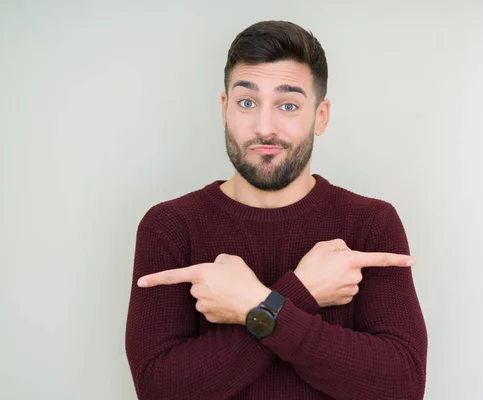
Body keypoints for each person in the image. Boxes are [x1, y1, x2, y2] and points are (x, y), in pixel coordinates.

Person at [125, 20, 427, 400]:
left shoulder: (370, 223)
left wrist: (254, 305)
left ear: (320, 116)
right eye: (247, 102)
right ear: (225, 109)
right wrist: (300, 294)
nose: (264, 127)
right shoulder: (169, 226)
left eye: (288, 105)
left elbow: (402, 386)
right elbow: (160, 390)